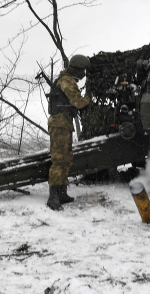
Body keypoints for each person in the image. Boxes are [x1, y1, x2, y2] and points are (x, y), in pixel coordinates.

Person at [46, 54, 92, 209]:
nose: (84, 73)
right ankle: (53, 197)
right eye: (83, 70)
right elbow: (78, 102)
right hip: (60, 124)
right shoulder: (67, 81)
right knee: (59, 160)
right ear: (77, 69)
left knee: (66, 158)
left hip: (63, 124)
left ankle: (62, 192)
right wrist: (89, 98)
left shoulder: (66, 80)